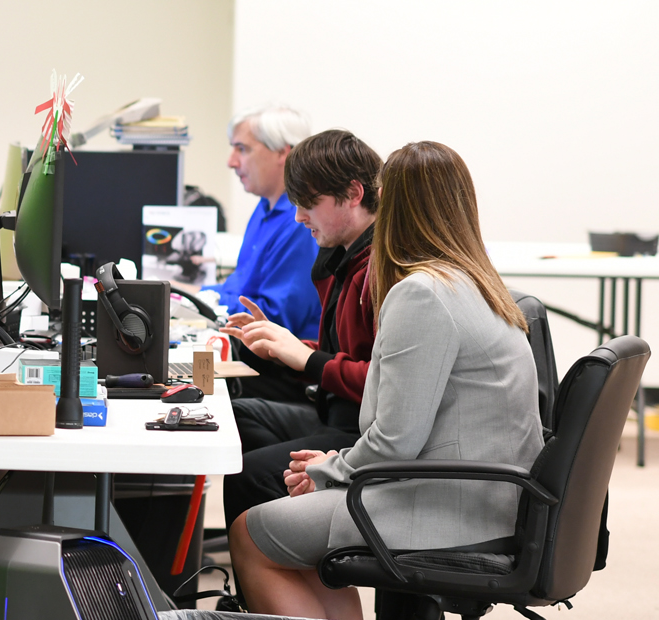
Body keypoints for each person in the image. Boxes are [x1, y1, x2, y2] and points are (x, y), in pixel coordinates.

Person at [229, 141, 543, 619]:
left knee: (251, 534)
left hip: (447, 507)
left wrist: (328, 471)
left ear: (391, 204)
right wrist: (335, 462)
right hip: (489, 496)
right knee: (295, 529)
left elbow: (395, 440)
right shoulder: (477, 282)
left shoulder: (421, 293)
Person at [218, 130, 380, 540]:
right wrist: (283, 346)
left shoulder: (381, 272)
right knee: (235, 418)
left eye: (309, 204)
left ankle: (283, 583)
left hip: (362, 430)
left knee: (248, 476)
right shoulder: (344, 260)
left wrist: (306, 358)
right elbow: (343, 354)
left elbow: (384, 382)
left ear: (354, 193)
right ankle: (301, 559)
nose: (298, 217)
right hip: (336, 411)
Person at [204, 106, 322, 344]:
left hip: (282, 365)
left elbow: (275, 319)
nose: (231, 162)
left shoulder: (299, 221)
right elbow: (240, 285)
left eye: (242, 149)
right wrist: (197, 295)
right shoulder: (265, 207)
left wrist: (207, 301)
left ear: (282, 153)